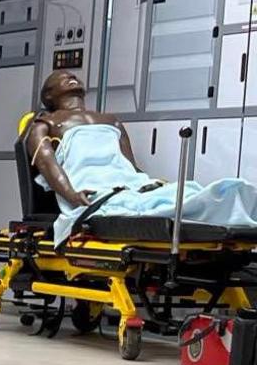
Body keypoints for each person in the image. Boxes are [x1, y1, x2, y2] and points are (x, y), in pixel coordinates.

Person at [25, 69, 257, 242]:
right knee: (165, 205)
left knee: (183, 191)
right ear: (48, 94)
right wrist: (72, 195)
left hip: (129, 185)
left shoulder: (111, 120)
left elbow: (130, 167)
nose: (70, 76)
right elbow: (47, 163)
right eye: (61, 77)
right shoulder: (46, 124)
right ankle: (228, 204)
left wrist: (150, 184)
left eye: (73, 74)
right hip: (95, 191)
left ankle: (234, 199)